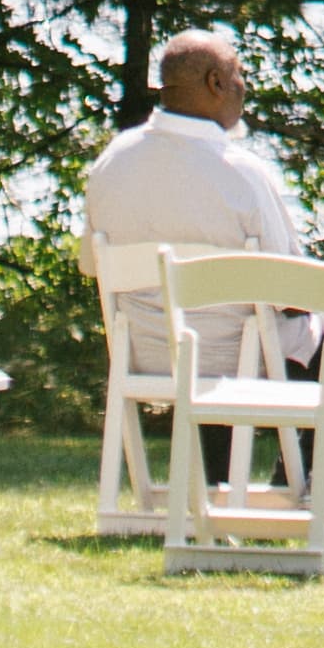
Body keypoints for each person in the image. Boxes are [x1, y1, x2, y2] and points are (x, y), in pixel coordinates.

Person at [80, 30, 307, 387]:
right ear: (216, 82)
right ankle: (303, 443)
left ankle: (215, 442)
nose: (243, 85)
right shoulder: (241, 172)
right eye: (239, 74)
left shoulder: (112, 161)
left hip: (146, 361)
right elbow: (292, 292)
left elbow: (92, 266)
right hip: (241, 362)